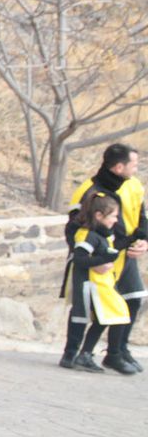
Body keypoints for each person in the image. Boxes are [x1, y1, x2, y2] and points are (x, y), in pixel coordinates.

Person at [65, 144, 146, 374]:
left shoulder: (134, 185)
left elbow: (142, 215)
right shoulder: (89, 191)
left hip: (125, 254)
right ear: (119, 167)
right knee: (89, 309)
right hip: (99, 261)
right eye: (134, 165)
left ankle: (117, 351)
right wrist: (91, 259)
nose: (136, 169)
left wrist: (144, 241)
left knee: (132, 299)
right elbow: (73, 230)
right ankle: (74, 353)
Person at [60, 192, 131, 373]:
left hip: (103, 284)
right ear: (99, 215)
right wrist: (101, 260)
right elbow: (80, 259)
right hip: (91, 285)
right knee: (114, 315)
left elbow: (107, 252)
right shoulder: (87, 236)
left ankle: (85, 354)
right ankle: (104, 355)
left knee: (105, 318)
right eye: (113, 216)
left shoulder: (103, 234)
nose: (116, 220)